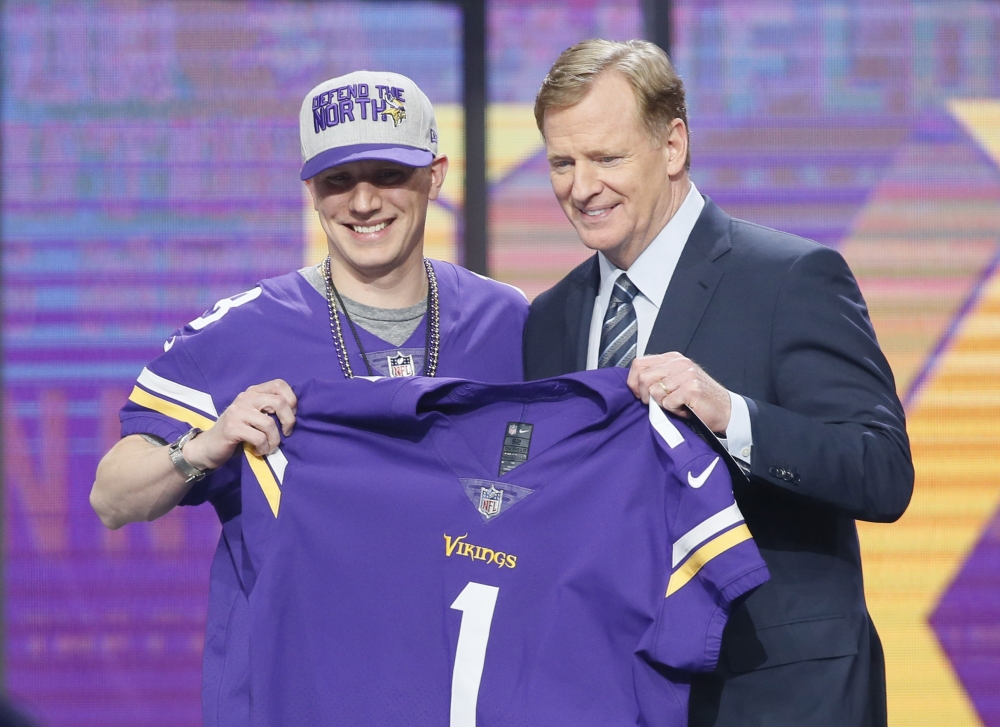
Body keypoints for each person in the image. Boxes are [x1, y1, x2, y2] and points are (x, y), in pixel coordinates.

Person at [90, 70, 527, 727]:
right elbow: (111, 497)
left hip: (465, 699)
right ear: (311, 192)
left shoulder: (511, 323)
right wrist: (204, 445)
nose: (363, 202)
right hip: (289, 702)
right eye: (337, 180)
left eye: (388, 174)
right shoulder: (239, 332)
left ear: (435, 177)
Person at [523, 39, 913, 726]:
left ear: (673, 145)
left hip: (778, 696)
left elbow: (881, 473)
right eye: (563, 162)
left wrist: (731, 414)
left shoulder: (790, 278)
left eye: (606, 158)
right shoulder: (549, 319)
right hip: (615, 693)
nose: (581, 188)